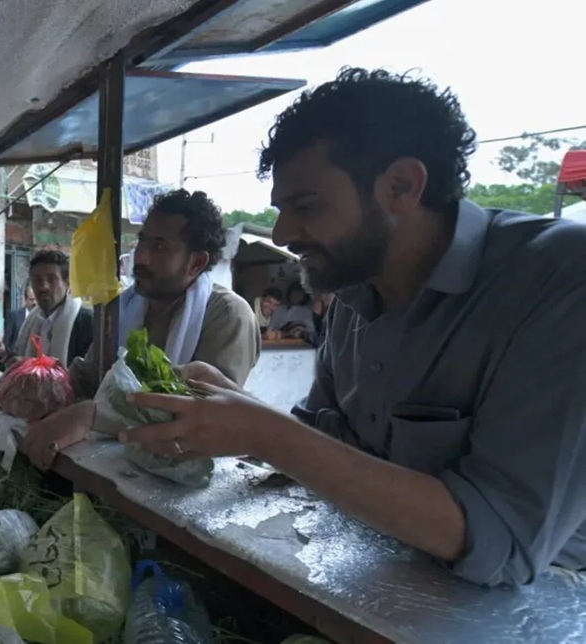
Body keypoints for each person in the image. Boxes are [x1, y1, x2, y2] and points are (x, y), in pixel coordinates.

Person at [120, 68, 586, 588]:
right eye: (280, 210)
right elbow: (324, 448)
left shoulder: (558, 282)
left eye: (305, 206)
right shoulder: (352, 293)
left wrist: (265, 433)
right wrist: (240, 412)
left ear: (401, 186)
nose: (283, 233)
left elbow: (504, 541)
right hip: (381, 592)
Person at [18, 189, 261, 465]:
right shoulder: (124, 306)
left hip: (182, 482)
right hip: (116, 468)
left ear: (196, 263)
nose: (141, 257)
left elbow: (205, 416)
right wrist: (24, 387)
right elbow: (86, 376)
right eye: (142, 242)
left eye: (159, 247)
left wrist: (93, 416)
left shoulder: (227, 315)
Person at [0, 251, 93, 371]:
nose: (43, 286)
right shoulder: (32, 321)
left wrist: (32, 367)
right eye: (37, 280)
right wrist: (2, 353)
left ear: (67, 283)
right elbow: (16, 369)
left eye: (51, 279)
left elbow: (87, 379)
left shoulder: (86, 322)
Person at [2, 283, 37, 355]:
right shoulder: (14, 316)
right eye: (32, 300)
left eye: (36, 299)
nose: (35, 303)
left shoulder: (44, 317)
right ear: (26, 299)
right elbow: (7, 341)